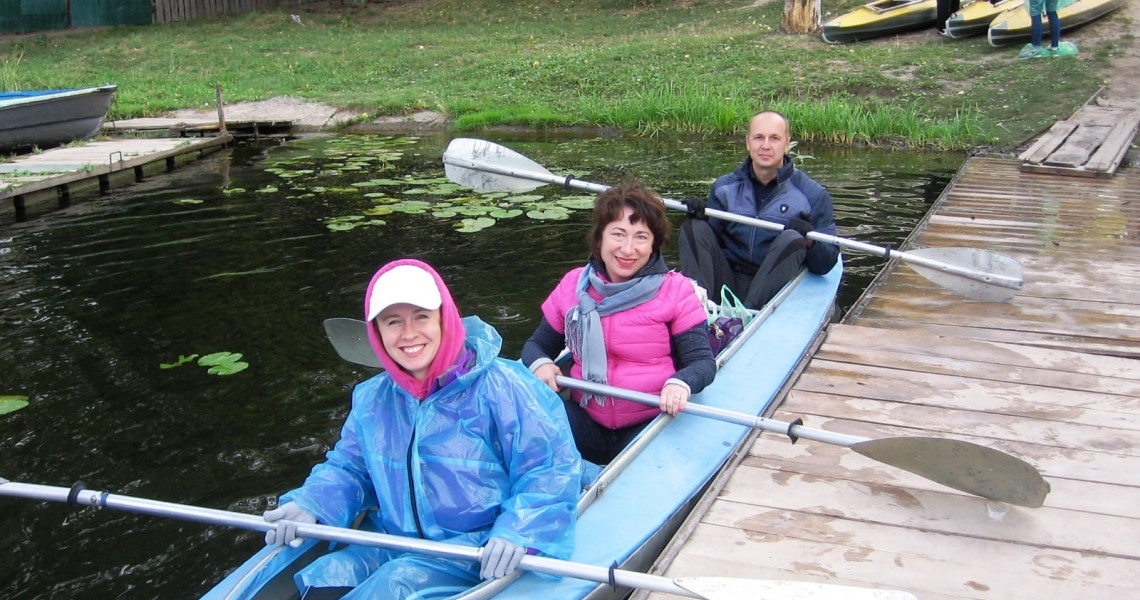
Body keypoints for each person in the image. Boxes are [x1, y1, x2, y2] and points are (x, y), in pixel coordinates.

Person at [263, 258, 583, 600]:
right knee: (319, 581)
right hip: (391, 540)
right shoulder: (372, 398)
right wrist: (315, 500)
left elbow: (551, 470)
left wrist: (520, 530)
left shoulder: (506, 388)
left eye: (421, 317)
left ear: (444, 319)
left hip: (474, 550)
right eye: (393, 322)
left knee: (394, 585)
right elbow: (351, 469)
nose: (409, 334)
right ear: (377, 332)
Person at [521, 182, 716, 466]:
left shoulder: (676, 291)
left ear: (653, 245)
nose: (628, 249)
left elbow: (702, 362)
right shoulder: (573, 285)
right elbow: (536, 345)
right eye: (618, 234)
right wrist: (540, 363)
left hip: (650, 421)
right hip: (585, 419)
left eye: (641, 237)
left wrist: (680, 383)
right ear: (600, 238)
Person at [679, 110, 840, 309]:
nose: (765, 146)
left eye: (774, 138)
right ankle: (699, 308)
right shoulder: (724, 187)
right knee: (693, 227)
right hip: (728, 278)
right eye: (758, 138)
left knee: (792, 238)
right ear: (748, 142)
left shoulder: (813, 195)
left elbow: (826, 263)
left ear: (787, 143)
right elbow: (711, 241)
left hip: (773, 284)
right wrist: (701, 217)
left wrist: (809, 242)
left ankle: (747, 317)